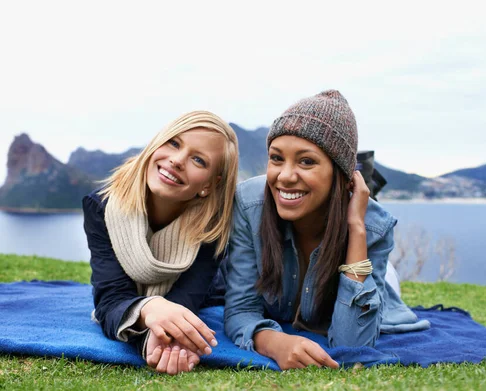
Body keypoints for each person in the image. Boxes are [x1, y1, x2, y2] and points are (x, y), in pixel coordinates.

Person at [224, 90, 430, 370]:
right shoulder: (249, 205)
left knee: (384, 290)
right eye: (276, 158)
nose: (285, 176)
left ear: (341, 175)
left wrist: (356, 229)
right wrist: (275, 342)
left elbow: (354, 345)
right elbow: (241, 309)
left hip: (372, 270)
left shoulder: (373, 227)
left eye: (306, 161)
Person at [83, 111, 238, 375]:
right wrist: (150, 311)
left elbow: (186, 300)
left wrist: (162, 340)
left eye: (198, 160)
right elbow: (111, 300)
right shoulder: (102, 207)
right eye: (174, 143)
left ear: (211, 185)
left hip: (218, 287)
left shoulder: (211, 226)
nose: (177, 160)